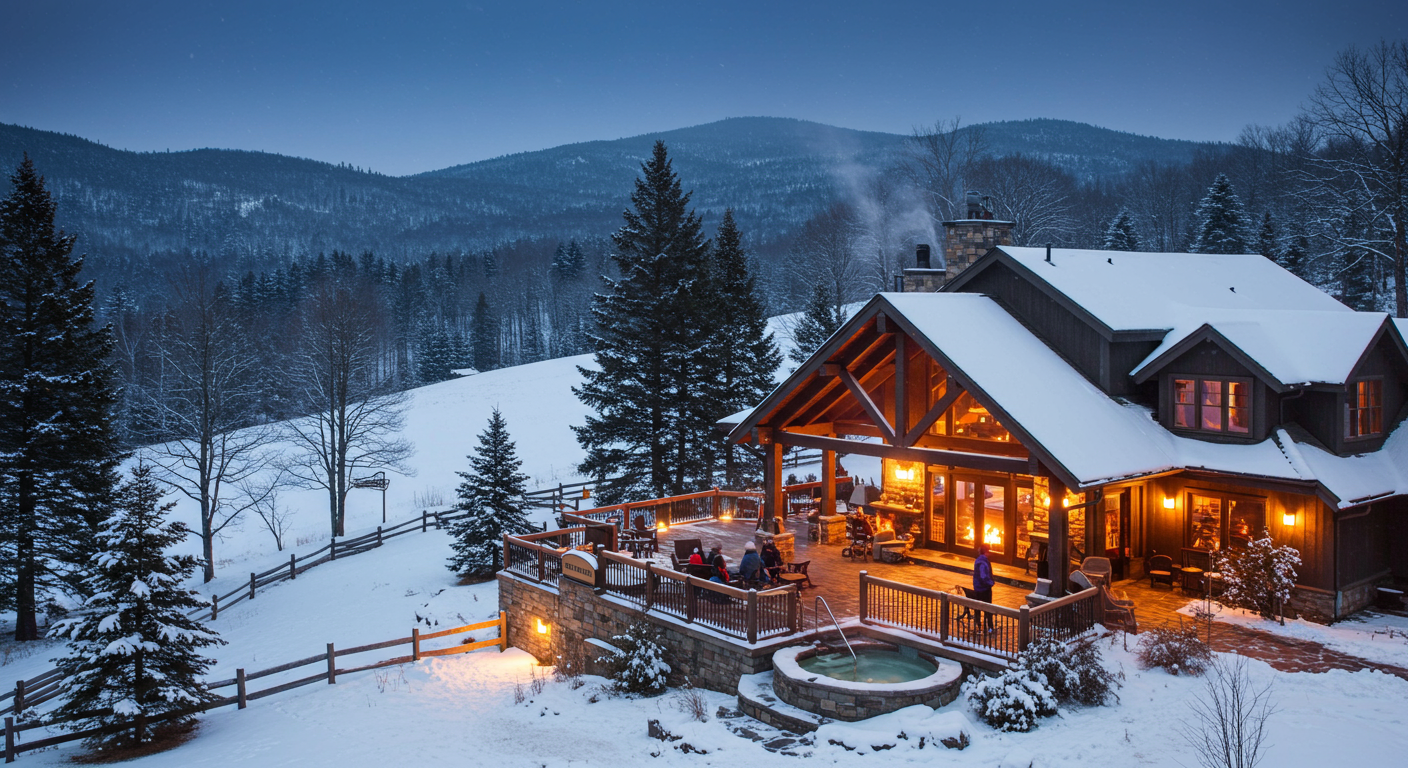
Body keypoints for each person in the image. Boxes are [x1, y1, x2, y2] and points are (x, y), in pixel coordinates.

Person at [972, 543, 996, 632]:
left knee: (978, 607)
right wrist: (990, 583)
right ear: (986, 552)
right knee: (988, 608)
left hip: (978, 588)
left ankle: (978, 624)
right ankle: (990, 627)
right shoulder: (983, 562)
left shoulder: (978, 560)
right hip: (984, 589)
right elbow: (983, 576)